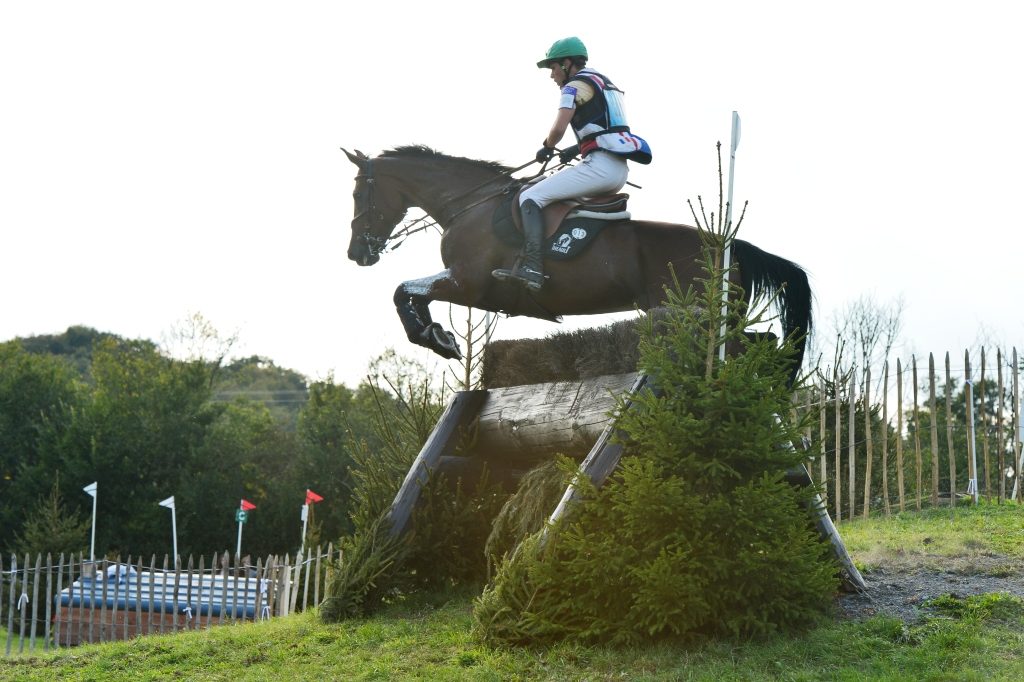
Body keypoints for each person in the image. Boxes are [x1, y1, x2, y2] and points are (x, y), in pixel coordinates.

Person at [492, 36, 652, 291]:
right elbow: (605, 128)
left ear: (567, 64)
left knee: (530, 197)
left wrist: (547, 145)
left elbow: (559, 127)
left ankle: (532, 266)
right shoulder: (604, 82)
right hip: (617, 168)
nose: (552, 75)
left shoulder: (573, 87)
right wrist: (576, 148)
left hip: (600, 168)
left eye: (554, 67)